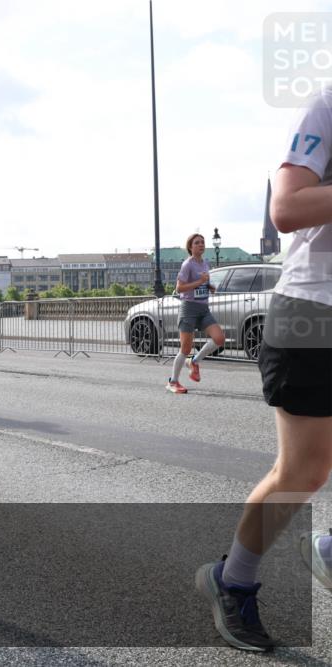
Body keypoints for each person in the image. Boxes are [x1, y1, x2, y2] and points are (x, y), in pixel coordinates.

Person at [196, 86, 332, 651]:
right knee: (303, 472)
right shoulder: (326, 106)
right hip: (315, 313)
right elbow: (288, 208)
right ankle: (232, 582)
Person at [167, 233, 225, 394]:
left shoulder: (205, 263)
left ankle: (194, 361)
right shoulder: (187, 264)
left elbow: (203, 282)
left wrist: (209, 286)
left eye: (203, 242)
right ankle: (173, 381)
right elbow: (179, 288)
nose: (201, 245)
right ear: (191, 247)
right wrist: (199, 282)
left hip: (203, 308)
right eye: (197, 243)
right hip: (189, 308)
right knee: (185, 348)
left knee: (219, 338)